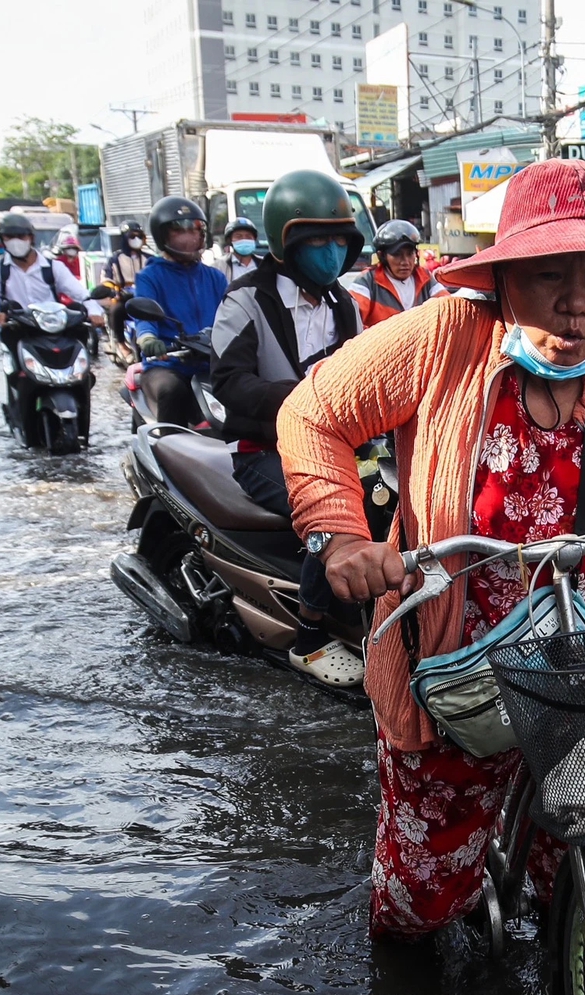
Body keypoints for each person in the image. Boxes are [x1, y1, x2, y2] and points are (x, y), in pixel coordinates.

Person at [276, 158, 585, 940]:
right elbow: (312, 414)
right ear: (502, 281)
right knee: (421, 899)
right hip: (458, 674)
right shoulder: (439, 339)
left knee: (579, 876)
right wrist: (342, 533)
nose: (577, 305)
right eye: (548, 275)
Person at [208, 169, 367, 686]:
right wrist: (301, 400)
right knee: (335, 517)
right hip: (262, 452)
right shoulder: (245, 301)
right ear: (285, 242)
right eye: (316, 240)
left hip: (336, 448)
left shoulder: (344, 303)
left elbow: (366, 375)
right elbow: (229, 381)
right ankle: (311, 637)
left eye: (338, 240)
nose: (330, 252)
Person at [129, 197, 229, 427]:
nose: (190, 238)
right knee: (171, 390)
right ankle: (168, 450)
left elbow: (233, 314)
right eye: (180, 232)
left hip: (210, 364)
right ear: (163, 237)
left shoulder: (215, 277)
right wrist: (149, 339)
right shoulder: (150, 277)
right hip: (167, 365)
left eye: (195, 231)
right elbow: (144, 317)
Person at [0, 212, 103, 327]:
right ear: (2, 239)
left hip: (53, 327)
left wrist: (94, 312)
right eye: (9, 237)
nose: (16, 241)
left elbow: (81, 293)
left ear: (31, 238)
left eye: (21, 236)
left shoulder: (54, 267)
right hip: (14, 329)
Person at [344, 219, 442, 327]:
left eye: (410, 254)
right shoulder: (367, 281)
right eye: (397, 254)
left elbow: (447, 306)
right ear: (382, 256)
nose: (405, 262)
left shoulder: (425, 278)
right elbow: (351, 322)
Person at [104, 224, 150, 353]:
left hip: (145, 295)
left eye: (139, 236)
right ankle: (121, 344)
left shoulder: (150, 258)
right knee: (116, 310)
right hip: (123, 295)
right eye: (132, 236)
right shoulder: (115, 259)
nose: (136, 239)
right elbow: (107, 278)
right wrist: (113, 290)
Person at [217, 217, 261, 284]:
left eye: (248, 237)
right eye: (239, 236)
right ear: (230, 240)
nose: (244, 240)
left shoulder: (265, 264)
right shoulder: (219, 266)